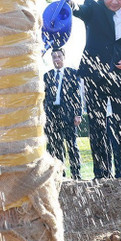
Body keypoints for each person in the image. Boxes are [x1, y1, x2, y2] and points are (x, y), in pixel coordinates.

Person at [70, 0, 121, 179]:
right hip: (95, 76)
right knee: (97, 125)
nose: (114, 1)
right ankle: (102, 174)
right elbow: (79, 10)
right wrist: (70, 4)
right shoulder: (93, 8)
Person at [42, 47, 83, 180]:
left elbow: (77, 95)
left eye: (59, 56)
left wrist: (78, 114)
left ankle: (76, 175)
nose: (57, 59)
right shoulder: (47, 76)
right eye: (54, 57)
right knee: (56, 146)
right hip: (52, 115)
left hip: (68, 114)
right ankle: (61, 175)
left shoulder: (72, 73)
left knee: (72, 145)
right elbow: (43, 97)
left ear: (64, 57)